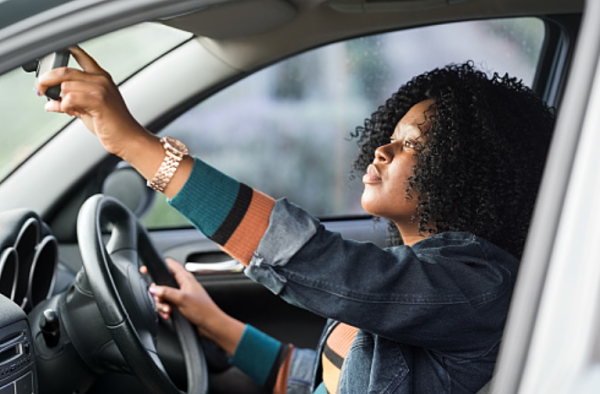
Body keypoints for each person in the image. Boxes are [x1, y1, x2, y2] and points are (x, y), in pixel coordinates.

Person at [38, 47, 555, 394]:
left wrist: (134, 144)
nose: (381, 150)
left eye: (411, 145)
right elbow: (316, 379)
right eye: (390, 134)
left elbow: (309, 257)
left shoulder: (475, 288)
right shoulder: (414, 279)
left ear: (467, 171)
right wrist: (212, 321)